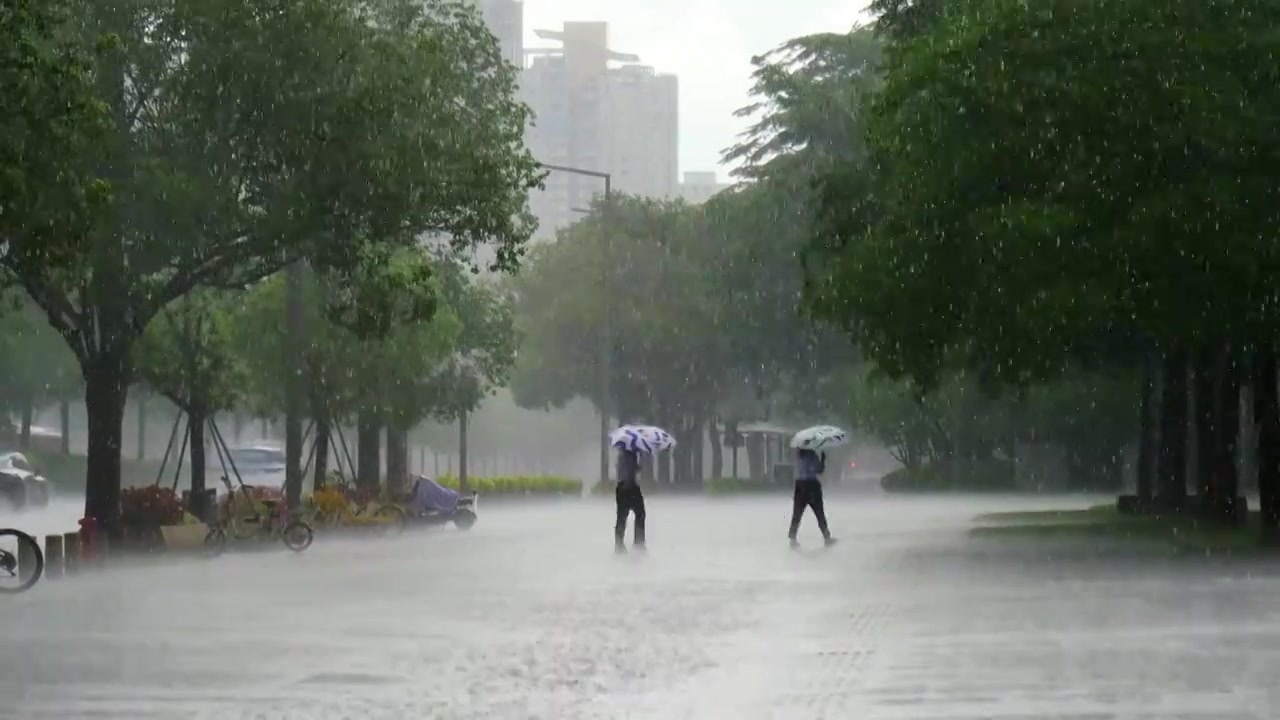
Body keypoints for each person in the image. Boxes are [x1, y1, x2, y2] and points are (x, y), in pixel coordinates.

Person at [789, 447, 836, 548]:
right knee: (819, 512)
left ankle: (792, 537)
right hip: (812, 486)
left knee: (797, 512)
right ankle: (826, 536)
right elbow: (819, 470)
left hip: (800, 485)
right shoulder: (812, 456)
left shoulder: (799, 456)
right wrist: (823, 459)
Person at [615, 448, 646, 552]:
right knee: (640, 514)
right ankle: (639, 543)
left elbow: (624, 470)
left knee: (621, 517)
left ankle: (619, 545)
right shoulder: (630, 455)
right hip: (630, 487)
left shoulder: (622, 454)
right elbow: (629, 471)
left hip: (621, 488)